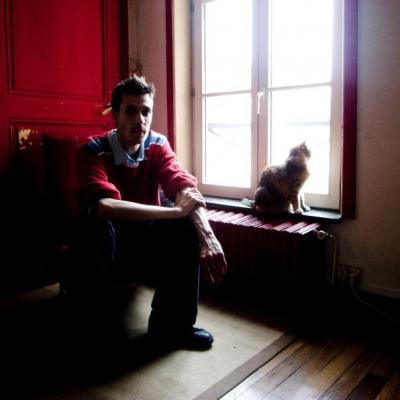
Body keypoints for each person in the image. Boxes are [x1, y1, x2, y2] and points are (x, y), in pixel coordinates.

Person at [73, 75, 227, 351]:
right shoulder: (92, 150)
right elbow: (105, 206)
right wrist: (174, 212)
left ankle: (172, 327)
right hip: (107, 237)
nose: (140, 120)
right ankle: (95, 324)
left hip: (144, 234)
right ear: (115, 115)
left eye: (146, 112)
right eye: (131, 111)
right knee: (97, 226)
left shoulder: (157, 144)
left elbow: (184, 187)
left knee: (185, 228)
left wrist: (208, 237)